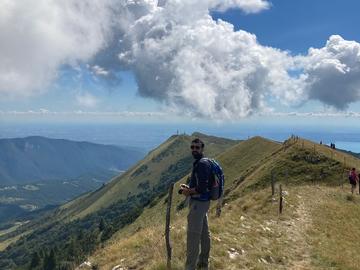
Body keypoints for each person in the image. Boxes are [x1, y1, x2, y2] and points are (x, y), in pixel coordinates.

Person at [180, 138, 212, 270]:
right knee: (204, 233)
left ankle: (190, 267)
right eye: (192, 147)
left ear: (202, 149)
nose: (194, 149)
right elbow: (201, 185)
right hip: (204, 203)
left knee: (193, 237)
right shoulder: (203, 162)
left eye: (197, 147)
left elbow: (202, 188)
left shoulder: (202, 164)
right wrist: (188, 187)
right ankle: (203, 262)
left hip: (198, 204)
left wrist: (187, 192)